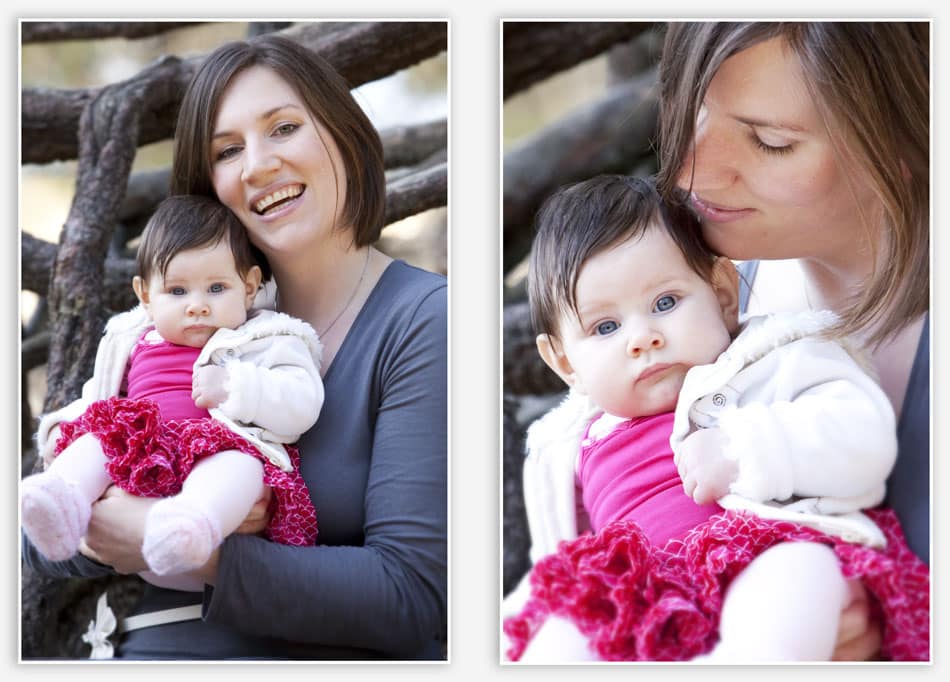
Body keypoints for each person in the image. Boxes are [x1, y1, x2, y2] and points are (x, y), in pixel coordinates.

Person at [23, 34, 447, 660]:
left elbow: (410, 596)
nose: (257, 165)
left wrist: (200, 549)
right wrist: (107, 522)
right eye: (227, 150)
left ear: (344, 133)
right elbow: (38, 543)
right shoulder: (173, 321)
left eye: (284, 128)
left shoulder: (424, 319)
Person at [502, 175, 928, 662]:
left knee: (798, 573)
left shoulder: (772, 359)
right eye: (606, 327)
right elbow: (553, 567)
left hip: (760, 551)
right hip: (638, 603)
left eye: (665, 302)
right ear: (564, 362)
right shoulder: (563, 451)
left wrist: (741, 451)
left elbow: (862, 437)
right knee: (564, 633)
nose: (642, 338)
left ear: (723, 294)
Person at [655, 21, 929, 659]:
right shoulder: (697, 298)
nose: (689, 170)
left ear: (911, 140)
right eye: (691, 109)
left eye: (769, 141)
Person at [23, 195, 321, 585]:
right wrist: (62, 428)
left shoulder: (264, 338)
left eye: (217, 288)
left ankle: (191, 524)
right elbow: (97, 399)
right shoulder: (132, 342)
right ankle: (61, 501)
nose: (197, 306)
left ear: (249, 287)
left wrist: (235, 386)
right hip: (142, 458)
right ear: (146, 295)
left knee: (241, 467)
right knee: (98, 440)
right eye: (178, 291)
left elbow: (303, 402)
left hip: (215, 452)